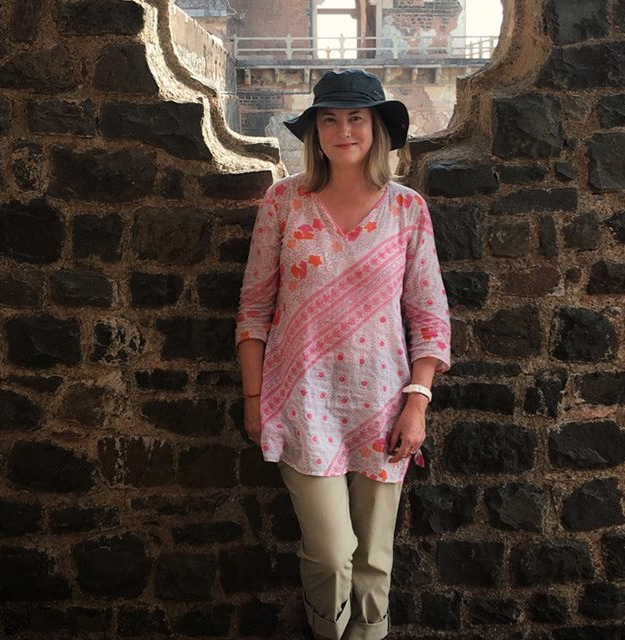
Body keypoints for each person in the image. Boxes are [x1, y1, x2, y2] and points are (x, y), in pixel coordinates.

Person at [235, 69, 451, 640]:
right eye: (328, 119)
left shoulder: (407, 210)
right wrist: (255, 398)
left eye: (356, 117)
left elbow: (428, 316)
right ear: (315, 131)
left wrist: (418, 403)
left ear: (378, 128)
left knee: (375, 558)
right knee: (332, 555)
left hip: (385, 409)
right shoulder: (285, 202)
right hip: (302, 406)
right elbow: (254, 309)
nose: (343, 130)